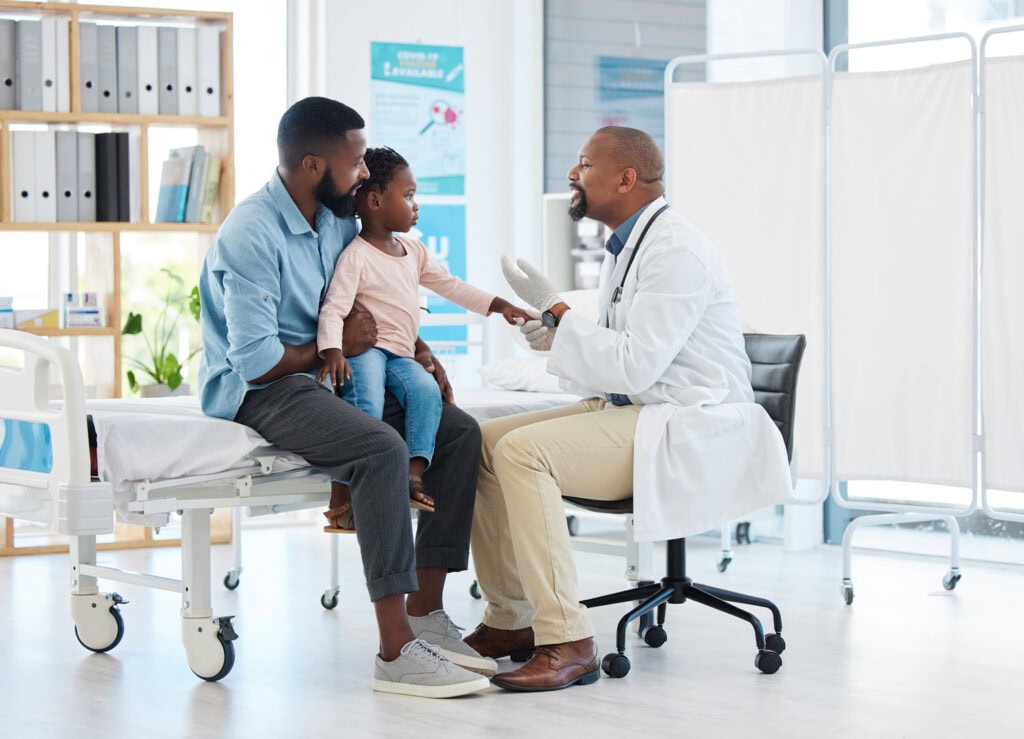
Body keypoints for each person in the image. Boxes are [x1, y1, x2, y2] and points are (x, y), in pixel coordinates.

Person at [463, 126, 791, 692]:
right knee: (483, 442)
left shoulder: (677, 251)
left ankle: (568, 640)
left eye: (584, 164)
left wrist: (561, 315)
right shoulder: (630, 246)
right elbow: (625, 352)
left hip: (690, 422)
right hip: (644, 407)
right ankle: (511, 620)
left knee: (520, 453)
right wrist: (553, 329)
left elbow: (637, 365)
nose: (573, 174)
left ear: (625, 178)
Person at [197, 96, 495, 698]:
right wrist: (332, 347)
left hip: (336, 373)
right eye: (357, 161)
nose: (364, 175)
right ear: (313, 165)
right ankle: (394, 653)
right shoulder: (251, 233)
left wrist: (416, 347)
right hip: (264, 387)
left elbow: (378, 294)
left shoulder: (335, 222)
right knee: (381, 449)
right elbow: (254, 362)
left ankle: (424, 615)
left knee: (459, 433)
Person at [316, 146, 530, 534]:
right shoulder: (356, 256)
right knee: (365, 405)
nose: (416, 206)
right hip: (366, 351)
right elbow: (334, 308)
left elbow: (452, 287)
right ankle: (343, 497)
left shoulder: (413, 251)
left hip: (400, 353)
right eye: (409, 195)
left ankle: (414, 477)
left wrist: (499, 306)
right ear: (376, 200)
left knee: (426, 393)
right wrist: (332, 350)